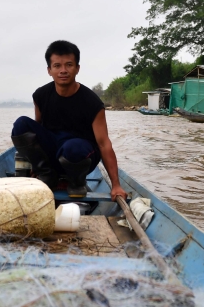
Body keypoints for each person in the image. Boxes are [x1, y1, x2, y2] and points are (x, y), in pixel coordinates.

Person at [12, 40, 127, 200]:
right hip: (54, 150)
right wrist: (34, 163)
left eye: (69, 65)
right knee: (21, 125)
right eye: (57, 66)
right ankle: (47, 174)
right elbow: (37, 129)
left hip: (81, 153)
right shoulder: (41, 95)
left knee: (72, 148)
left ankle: (76, 181)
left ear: (77, 68)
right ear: (49, 70)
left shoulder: (92, 102)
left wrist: (116, 185)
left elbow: (104, 143)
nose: (63, 71)